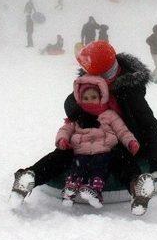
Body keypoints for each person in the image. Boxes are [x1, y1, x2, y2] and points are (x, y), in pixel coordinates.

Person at [11, 41, 157, 216]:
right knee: (63, 155)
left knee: (120, 159)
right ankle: (30, 176)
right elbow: (73, 108)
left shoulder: (129, 92)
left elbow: (148, 125)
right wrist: (72, 124)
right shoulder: (89, 84)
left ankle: (137, 186)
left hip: (115, 139)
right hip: (85, 136)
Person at [56, 75, 140, 208]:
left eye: (93, 97)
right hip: (81, 152)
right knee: (78, 166)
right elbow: (65, 129)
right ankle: (71, 187)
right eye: (86, 98)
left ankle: (95, 190)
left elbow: (122, 131)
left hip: (103, 150)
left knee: (100, 166)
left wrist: (131, 142)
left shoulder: (109, 115)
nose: (90, 101)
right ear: (80, 99)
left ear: (101, 97)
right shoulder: (77, 116)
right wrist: (62, 139)